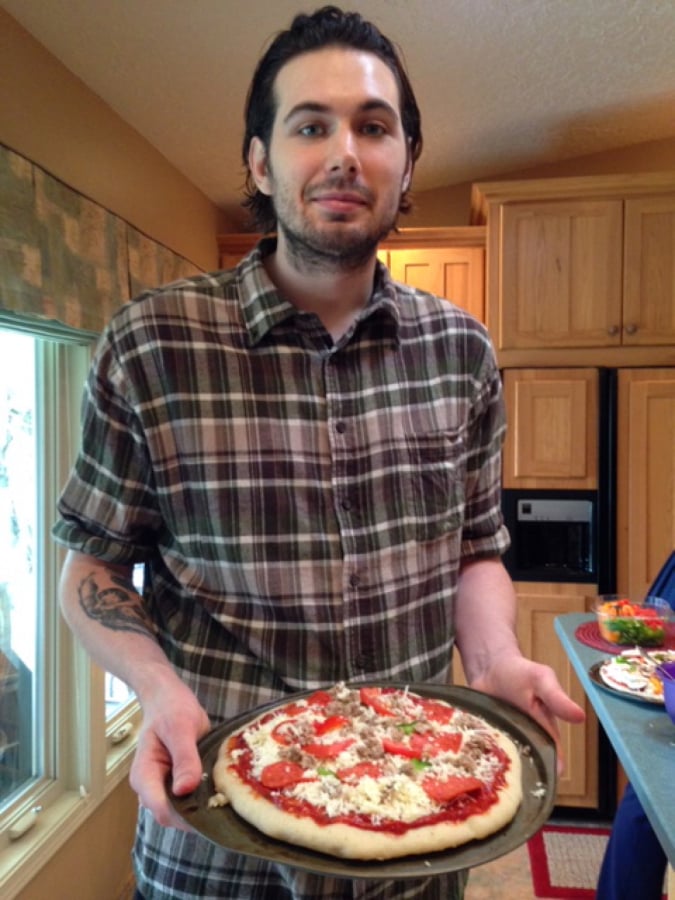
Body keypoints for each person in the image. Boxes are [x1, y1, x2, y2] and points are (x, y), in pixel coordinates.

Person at [53, 6, 585, 899]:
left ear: (406, 160)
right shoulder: (150, 344)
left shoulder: (463, 352)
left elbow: (475, 549)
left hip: (418, 830)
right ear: (261, 160)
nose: (344, 151)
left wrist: (492, 662)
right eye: (311, 125)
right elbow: (89, 569)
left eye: (374, 126)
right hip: (212, 832)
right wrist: (155, 690)